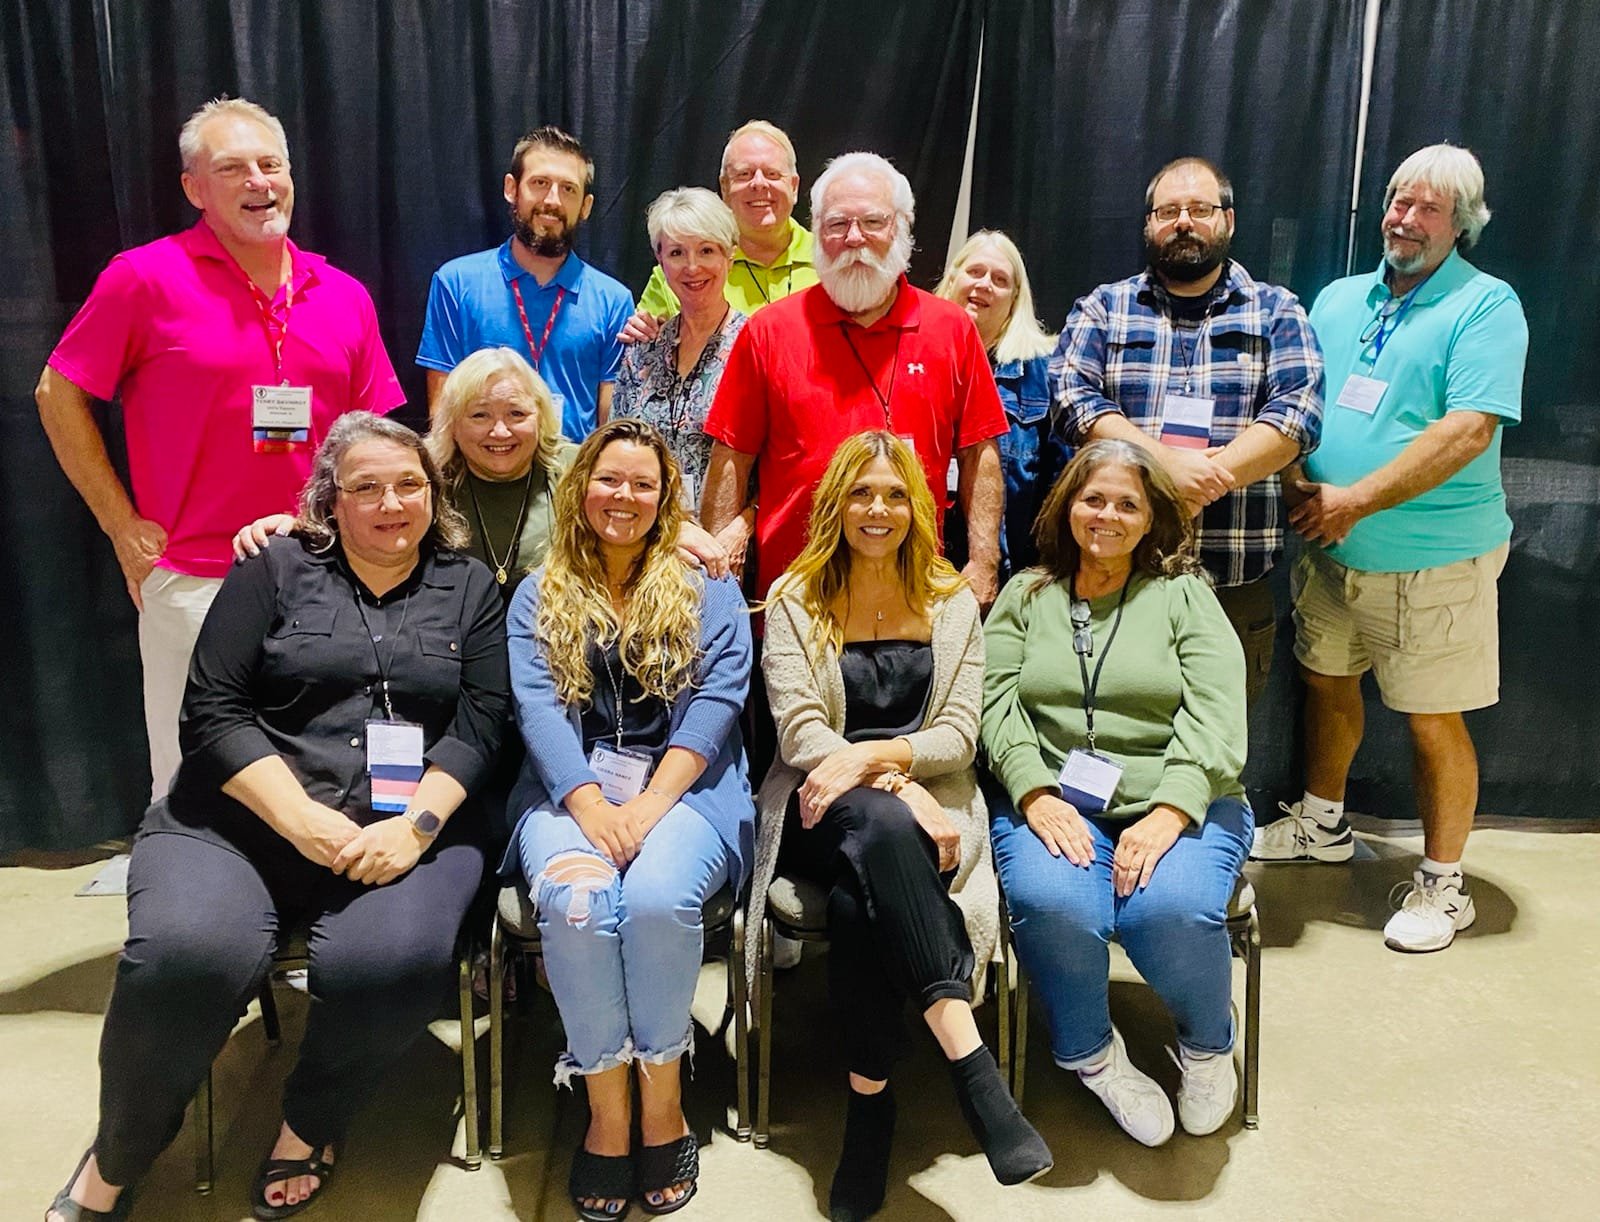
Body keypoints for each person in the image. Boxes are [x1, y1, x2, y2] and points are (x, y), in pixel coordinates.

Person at [44, 413, 507, 1222]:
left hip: (399, 827)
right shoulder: (274, 566)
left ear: (435, 495)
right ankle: (118, 1153)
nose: (391, 504)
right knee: (184, 959)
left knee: (391, 966)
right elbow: (213, 711)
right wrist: (301, 822)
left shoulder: (468, 587)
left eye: (409, 485)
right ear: (330, 500)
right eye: (366, 487)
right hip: (236, 824)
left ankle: (309, 1123)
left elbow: (482, 721)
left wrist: (414, 830)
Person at [34, 96, 404, 802]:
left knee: (320, 777)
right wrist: (120, 524)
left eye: (271, 165)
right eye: (232, 168)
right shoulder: (143, 278)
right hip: (195, 579)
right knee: (192, 788)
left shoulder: (344, 295)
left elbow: (373, 440)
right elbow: (57, 393)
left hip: (327, 575)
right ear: (194, 188)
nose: (258, 182)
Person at [750, 432, 1051, 1220]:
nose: (876, 509)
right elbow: (801, 733)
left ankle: (870, 1112)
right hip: (817, 804)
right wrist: (891, 785)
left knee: (861, 907)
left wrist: (883, 766)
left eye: (893, 494)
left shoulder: (951, 601)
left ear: (919, 505)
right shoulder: (793, 597)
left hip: (928, 804)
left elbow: (959, 734)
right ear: (835, 504)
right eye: (860, 493)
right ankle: (971, 1065)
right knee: (881, 826)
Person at [1252, 144, 1527, 954]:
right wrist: (1297, 479)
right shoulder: (1340, 298)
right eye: (1398, 202)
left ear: (1462, 224)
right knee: (1325, 682)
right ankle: (1324, 824)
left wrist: (1356, 500)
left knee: (1432, 718)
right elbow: (1297, 397)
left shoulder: (1485, 305)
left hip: (1432, 560)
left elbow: (1467, 430)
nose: (1405, 219)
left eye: (1428, 208)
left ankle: (1444, 886)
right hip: (1329, 548)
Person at [505, 418, 753, 1219]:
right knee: (579, 904)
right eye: (609, 479)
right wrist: (588, 803)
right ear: (581, 488)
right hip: (566, 791)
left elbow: (717, 703)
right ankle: (607, 1114)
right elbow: (538, 709)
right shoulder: (538, 591)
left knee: (653, 900)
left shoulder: (708, 586)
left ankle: (664, 1106)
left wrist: (645, 807)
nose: (624, 496)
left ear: (666, 497)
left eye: (644, 484)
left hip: (687, 791)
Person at [982, 439, 1251, 1148]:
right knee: (1056, 903)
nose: (1107, 515)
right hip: (1053, 799)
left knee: (1169, 908)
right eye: (1093, 498)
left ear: (1152, 516)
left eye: (1127, 503)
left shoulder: (1184, 596)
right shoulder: (1025, 595)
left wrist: (1171, 808)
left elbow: (1219, 714)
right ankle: (1093, 1057)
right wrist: (1033, 792)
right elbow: (994, 704)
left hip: (1183, 795)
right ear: (1067, 505)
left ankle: (1207, 1046)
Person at [1053, 156, 1324, 704]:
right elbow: (1070, 399)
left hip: (1231, 587)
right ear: (1148, 225)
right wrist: (1164, 468)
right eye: (1168, 211)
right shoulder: (1104, 308)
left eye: (1200, 209)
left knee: (1219, 744)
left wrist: (1204, 478)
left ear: (1228, 220)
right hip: (1113, 580)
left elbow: (1299, 414)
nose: (1183, 222)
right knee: (1108, 731)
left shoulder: (1277, 311)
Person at [701, 151, 1008, 611]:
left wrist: (984, 563)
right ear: (816, 232)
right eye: (837, 224)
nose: (854, 238)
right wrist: (716, 585)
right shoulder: (768, 331)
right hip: (795, 602)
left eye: (872, 222)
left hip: (915, 602)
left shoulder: (952, 330)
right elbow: (731, 457)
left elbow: (980, 452)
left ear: (902, 228)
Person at [417, 125, 633, 442]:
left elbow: (611, 426)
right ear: (511, 189)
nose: (552, 200)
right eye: (540, 183)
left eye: (568, 189)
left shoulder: (614, 301)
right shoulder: (456, 284)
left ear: (586, 206)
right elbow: (442, 414)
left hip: (573, 470)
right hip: (481, 466)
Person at [934, 230, 1069, 578]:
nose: (984, 285)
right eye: (975, 272)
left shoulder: (1043, 371)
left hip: (1013, 571)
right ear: (952, 279)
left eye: (1000, 280)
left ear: (1014, 300)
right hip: (917, 563)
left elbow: (1062, 483)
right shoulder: (913, 356)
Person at [613, 188, 749, 507]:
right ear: (660, 261)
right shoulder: (643, 352)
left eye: (706, 251)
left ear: (730, 256)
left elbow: (779, 462)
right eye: (677, 253)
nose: (692, 267)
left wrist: (742, 525)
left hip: (724, 531)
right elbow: (615, 447)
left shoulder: (755, 347)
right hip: (645, 526)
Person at [624, 120, 817, 339]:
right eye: (744, 174)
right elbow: (645, 338)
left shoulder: (831, 262)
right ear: (724, 187)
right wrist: (643, 331)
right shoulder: (680, 272)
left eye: (772, 174)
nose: (759, 184)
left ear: (794, 186)